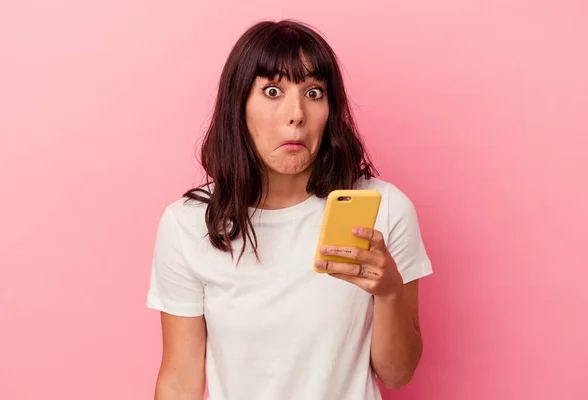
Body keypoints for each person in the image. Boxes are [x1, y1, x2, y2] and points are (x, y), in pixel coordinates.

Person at [146, 19, 433, 400]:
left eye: (314, 92)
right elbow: (179, 382)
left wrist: (390, 292)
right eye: (272, 91)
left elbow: (397, 374)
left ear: (330, 109)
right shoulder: (187, 224)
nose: (296, 113)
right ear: (239, 106)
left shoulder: (386, 209)